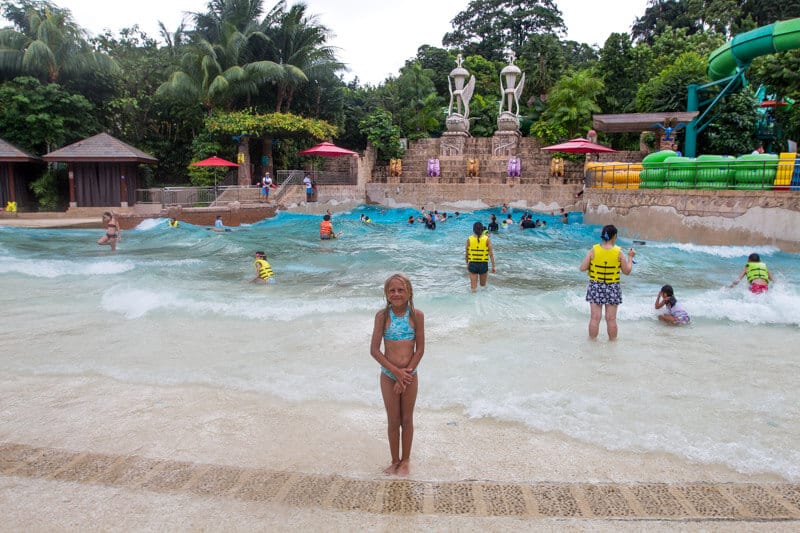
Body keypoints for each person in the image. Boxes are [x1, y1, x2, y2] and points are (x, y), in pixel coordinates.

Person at [369, 273, 425, 476]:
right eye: (392, 290)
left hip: (410, 375)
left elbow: (419, 350)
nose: (396, 293)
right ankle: (394, 460)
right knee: (393, 420)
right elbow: (374, 350)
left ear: (409, 292)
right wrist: (396, 373)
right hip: (388, 375)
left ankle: (406, 460)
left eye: (401, 290)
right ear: (386, 294)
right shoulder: (382, 316)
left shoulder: (416, 315)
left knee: (407, 420)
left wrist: (406, 375)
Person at [579, 224, 636, 340]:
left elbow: (582, 268)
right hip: (613, 286)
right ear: (614, 236)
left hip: (595, 285)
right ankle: (612, 344)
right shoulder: (619, 252)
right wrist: (630, 257)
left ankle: (592, 343)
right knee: (611, 319)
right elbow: (627, 271)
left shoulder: (594, 250)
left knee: (595, 318)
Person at [465, 221, 496, 291]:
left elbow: (467, 254)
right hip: (483, 264)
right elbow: (491, 254)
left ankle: (473, 301)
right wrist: (493, 266)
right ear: (482, 229)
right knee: (483, 286)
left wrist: (467, 264)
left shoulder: (469, 239)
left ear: (473, 230)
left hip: (472, 263)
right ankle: (483, 301)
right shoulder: (487, 239)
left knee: (473, 288)